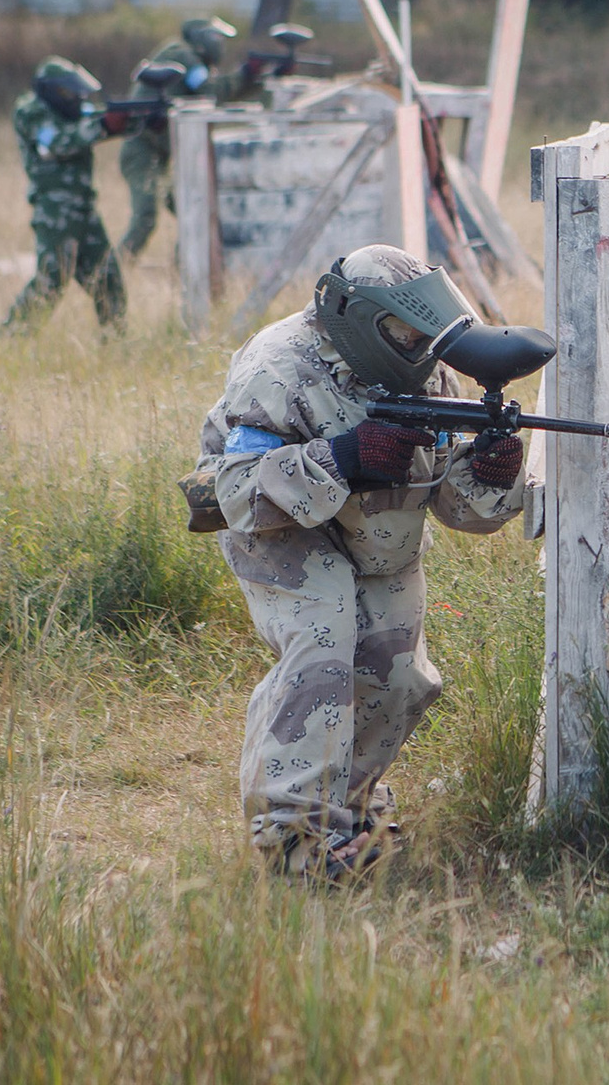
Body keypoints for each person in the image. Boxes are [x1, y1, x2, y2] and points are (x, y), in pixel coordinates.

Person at [193, 245, 529, 882]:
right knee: (325, 645)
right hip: (278, 525)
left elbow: (456, 502)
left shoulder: (429, 372)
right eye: (404, 334)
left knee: (399, 675)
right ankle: (293, 840)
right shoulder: (278, 367)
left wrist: (490, 471)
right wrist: (345, 458)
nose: (419, 348)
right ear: (360, 320)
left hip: (376, 528)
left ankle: (346, 811)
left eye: (425, 336)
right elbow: (230, 492)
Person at [3, 56, 127, 332]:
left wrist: (133, 122)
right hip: (55, 209)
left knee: (108, 280)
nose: (76, 99)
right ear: (52, 90)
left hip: (84, 208)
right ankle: (11, 340)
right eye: (69, 92)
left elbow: (89, 124)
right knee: (52, 279)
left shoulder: (70, 112)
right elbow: (61, 141)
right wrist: (104, 125)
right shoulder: (31, 112)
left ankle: (118, 346)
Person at [117, 15, 241, 259]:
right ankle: (114, 271)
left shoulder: (189, 57)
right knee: (146, 216)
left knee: (193, 212)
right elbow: (212, 92)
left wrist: (252, 77)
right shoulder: (183, 55)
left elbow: (214, 94)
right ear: (201, 38)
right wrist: (248, 74)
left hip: (160, 154)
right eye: (216, 37)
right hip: (142, 150)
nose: (221, 45)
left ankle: (184, 269)